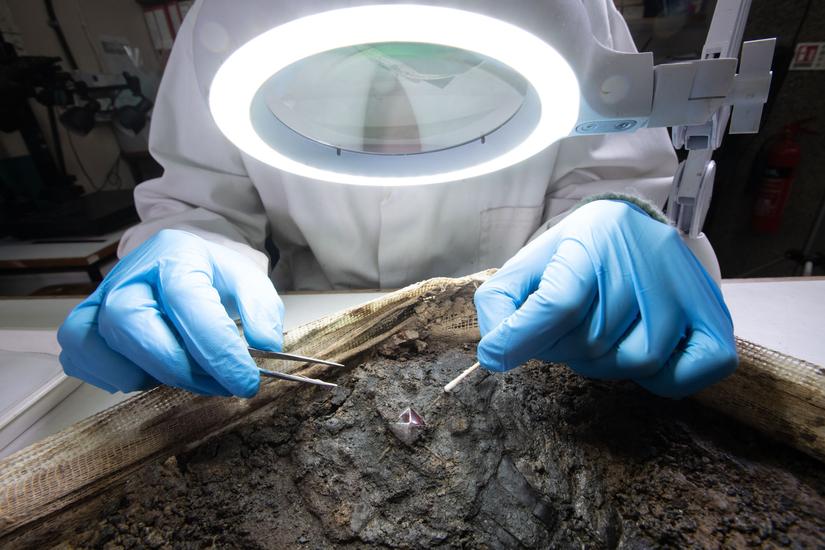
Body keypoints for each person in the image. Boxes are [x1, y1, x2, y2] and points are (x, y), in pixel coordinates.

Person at [57, 0, 736, 399]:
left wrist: (617, 223)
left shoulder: (564, 9)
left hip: (532, 323)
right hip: (298, 333)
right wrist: (188, 249)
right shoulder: (232, 15)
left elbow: (614, 177)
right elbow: (198, 203)